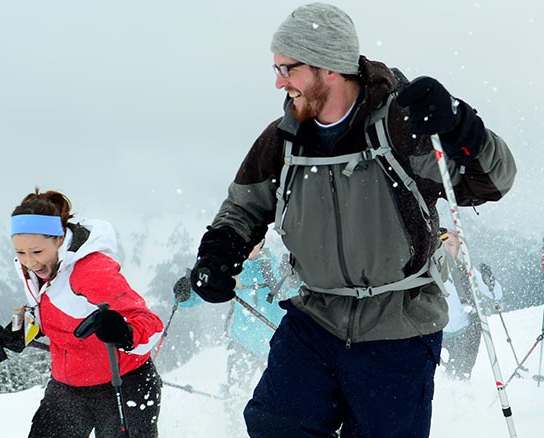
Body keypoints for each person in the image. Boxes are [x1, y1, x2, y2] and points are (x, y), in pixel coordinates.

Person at [179, 3, 516, 436]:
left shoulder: (400, 125)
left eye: (287, 68)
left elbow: (493, 181)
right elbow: (244, 207)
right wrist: (219, 251)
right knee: (275, 424)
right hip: (316, 316)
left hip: (400, 323)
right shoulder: (284, 139)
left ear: (329, 68)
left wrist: (461, 127)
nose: (278, 81)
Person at [0, 189, 164, 438]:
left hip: (125, 385)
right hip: (69, 389)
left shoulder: (92, 270)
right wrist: (21, 332)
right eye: (20, 252)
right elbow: (49, 308)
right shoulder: (36, 268)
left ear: (59, 239)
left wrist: (124, 331)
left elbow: (151, 325)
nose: (28, 261)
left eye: (37, 252)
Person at [220, 240, 298, 435]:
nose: (248, 248)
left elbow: (296, 293)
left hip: (275, 347)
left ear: (262, 243)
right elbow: (208, 287)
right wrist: (187, 293)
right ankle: (232, 429)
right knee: (236, 396)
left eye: (254, 243)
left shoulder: (273, 265)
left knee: (280, 399)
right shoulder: (234, 268)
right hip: (242, 345)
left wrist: (296, 280)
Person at [438, 227, 504, 381]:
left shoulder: (467, 270)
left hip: (466, 331)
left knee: (461, 375)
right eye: (442, 245)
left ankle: (464, 398)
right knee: (445, 377)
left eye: (450, 245)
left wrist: (490, 282)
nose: (446, 249)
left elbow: (496, 294)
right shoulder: (432, 273)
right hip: (441, 333)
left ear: (458, 248)